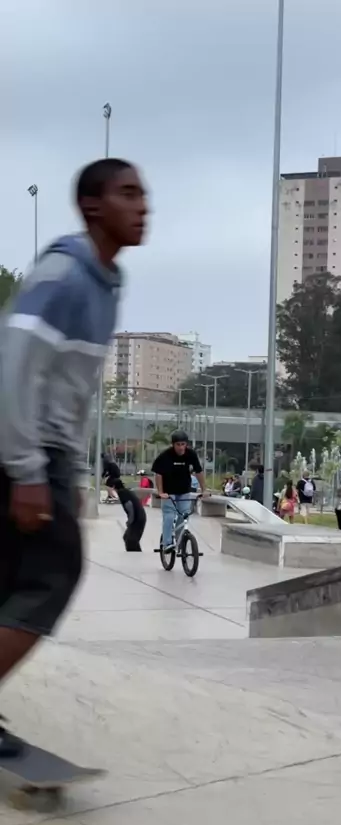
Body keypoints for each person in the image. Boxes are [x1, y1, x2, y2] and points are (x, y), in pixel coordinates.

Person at [0, 157, 147, 756]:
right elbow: (14, 367)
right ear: (92, 206)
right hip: (24, 449)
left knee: (11, 581)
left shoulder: (107, 284)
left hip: (47, 454)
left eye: (143, 195)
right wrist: (27, 472)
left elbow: (79, 393)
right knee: (52, 578)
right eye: (127, 194)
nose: (142, 206)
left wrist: (78, 472)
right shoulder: (63, 276)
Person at [152, 430, 207, 553]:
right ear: (173, 444)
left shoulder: (190, 454)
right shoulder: (165, 455)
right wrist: (161, 492)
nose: (181, 447)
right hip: (168, 491)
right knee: (169, 516)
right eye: (178, 445)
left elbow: (198, 471)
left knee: (184, 515)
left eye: (183, 444)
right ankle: (167, 543)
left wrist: (204, 489)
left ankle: (179, 540)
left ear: (186, 444)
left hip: (184, 490)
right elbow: (158, 474)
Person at [114, 479, 147, 551]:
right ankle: (135, 553)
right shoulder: (125, 491)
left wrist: (130, 521)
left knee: (131, 541)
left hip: (137, 518)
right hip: (139, 516)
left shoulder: (121, 493)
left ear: (114, 487)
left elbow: (130, 506)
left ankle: (136, 555)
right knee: (127, 537)